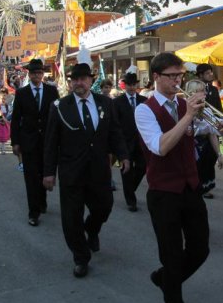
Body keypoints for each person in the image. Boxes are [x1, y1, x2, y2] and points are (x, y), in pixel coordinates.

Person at [134, 52, 212, 303]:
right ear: (156, 77)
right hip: (164, 192)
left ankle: (165, 279)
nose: (178, 80)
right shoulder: (144, 110)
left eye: (180, 75)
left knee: (200, 249)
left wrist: (216, 127)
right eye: (172, 76)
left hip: (190, 187)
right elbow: (161, 146)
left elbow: (193, 131)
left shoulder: (182, 103)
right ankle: (173, 295)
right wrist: (188, 116)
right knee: (171, 255)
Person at [43, 62, 130, 278]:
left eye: (83, 79)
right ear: (70, 83)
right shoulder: (59, 107)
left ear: (91, 81)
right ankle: (81, 257)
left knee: (104, 207)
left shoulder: (105, 103)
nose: (78, 83)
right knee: (71, 218)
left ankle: (91, 229)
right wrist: (48, 172)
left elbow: (115, 132)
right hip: (71, 172)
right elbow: (51, 142)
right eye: (75, 79)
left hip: (99, 170)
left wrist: (123, 155)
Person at [11, 58, 59, 227]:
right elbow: (16, 119)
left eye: (39, 73)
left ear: (43, 74)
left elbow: (57, 116)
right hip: (28, 142)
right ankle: (33, 212)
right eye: (34, 73)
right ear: (29, 74)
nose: (37, 76)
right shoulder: (21, 93)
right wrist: (15, 142)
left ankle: (42, 200)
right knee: (31, 178)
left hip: (47, 142)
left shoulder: (52, 91)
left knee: (44, 173)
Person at [112, 72, 147, 212]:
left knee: (142, 167)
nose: (131, 87)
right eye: (129, 85)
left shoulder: (144, 100)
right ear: (124, 86)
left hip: (141, 141)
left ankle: (130, 189)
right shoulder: (117, 102)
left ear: (137, 85)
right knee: (126, 170)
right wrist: (117, 143)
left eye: (134, 85)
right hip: (124, 142)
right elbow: (115, 124)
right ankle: (131, 201)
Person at [185, 79, 223, 198]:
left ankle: (203, 189)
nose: (205, 93)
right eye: (202, 91)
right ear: (193, 93)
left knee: (206, 170)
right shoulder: (184, 109)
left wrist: (219, 154)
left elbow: (212, 133)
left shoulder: (207, 109)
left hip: (206, 147)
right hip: (192, 147)